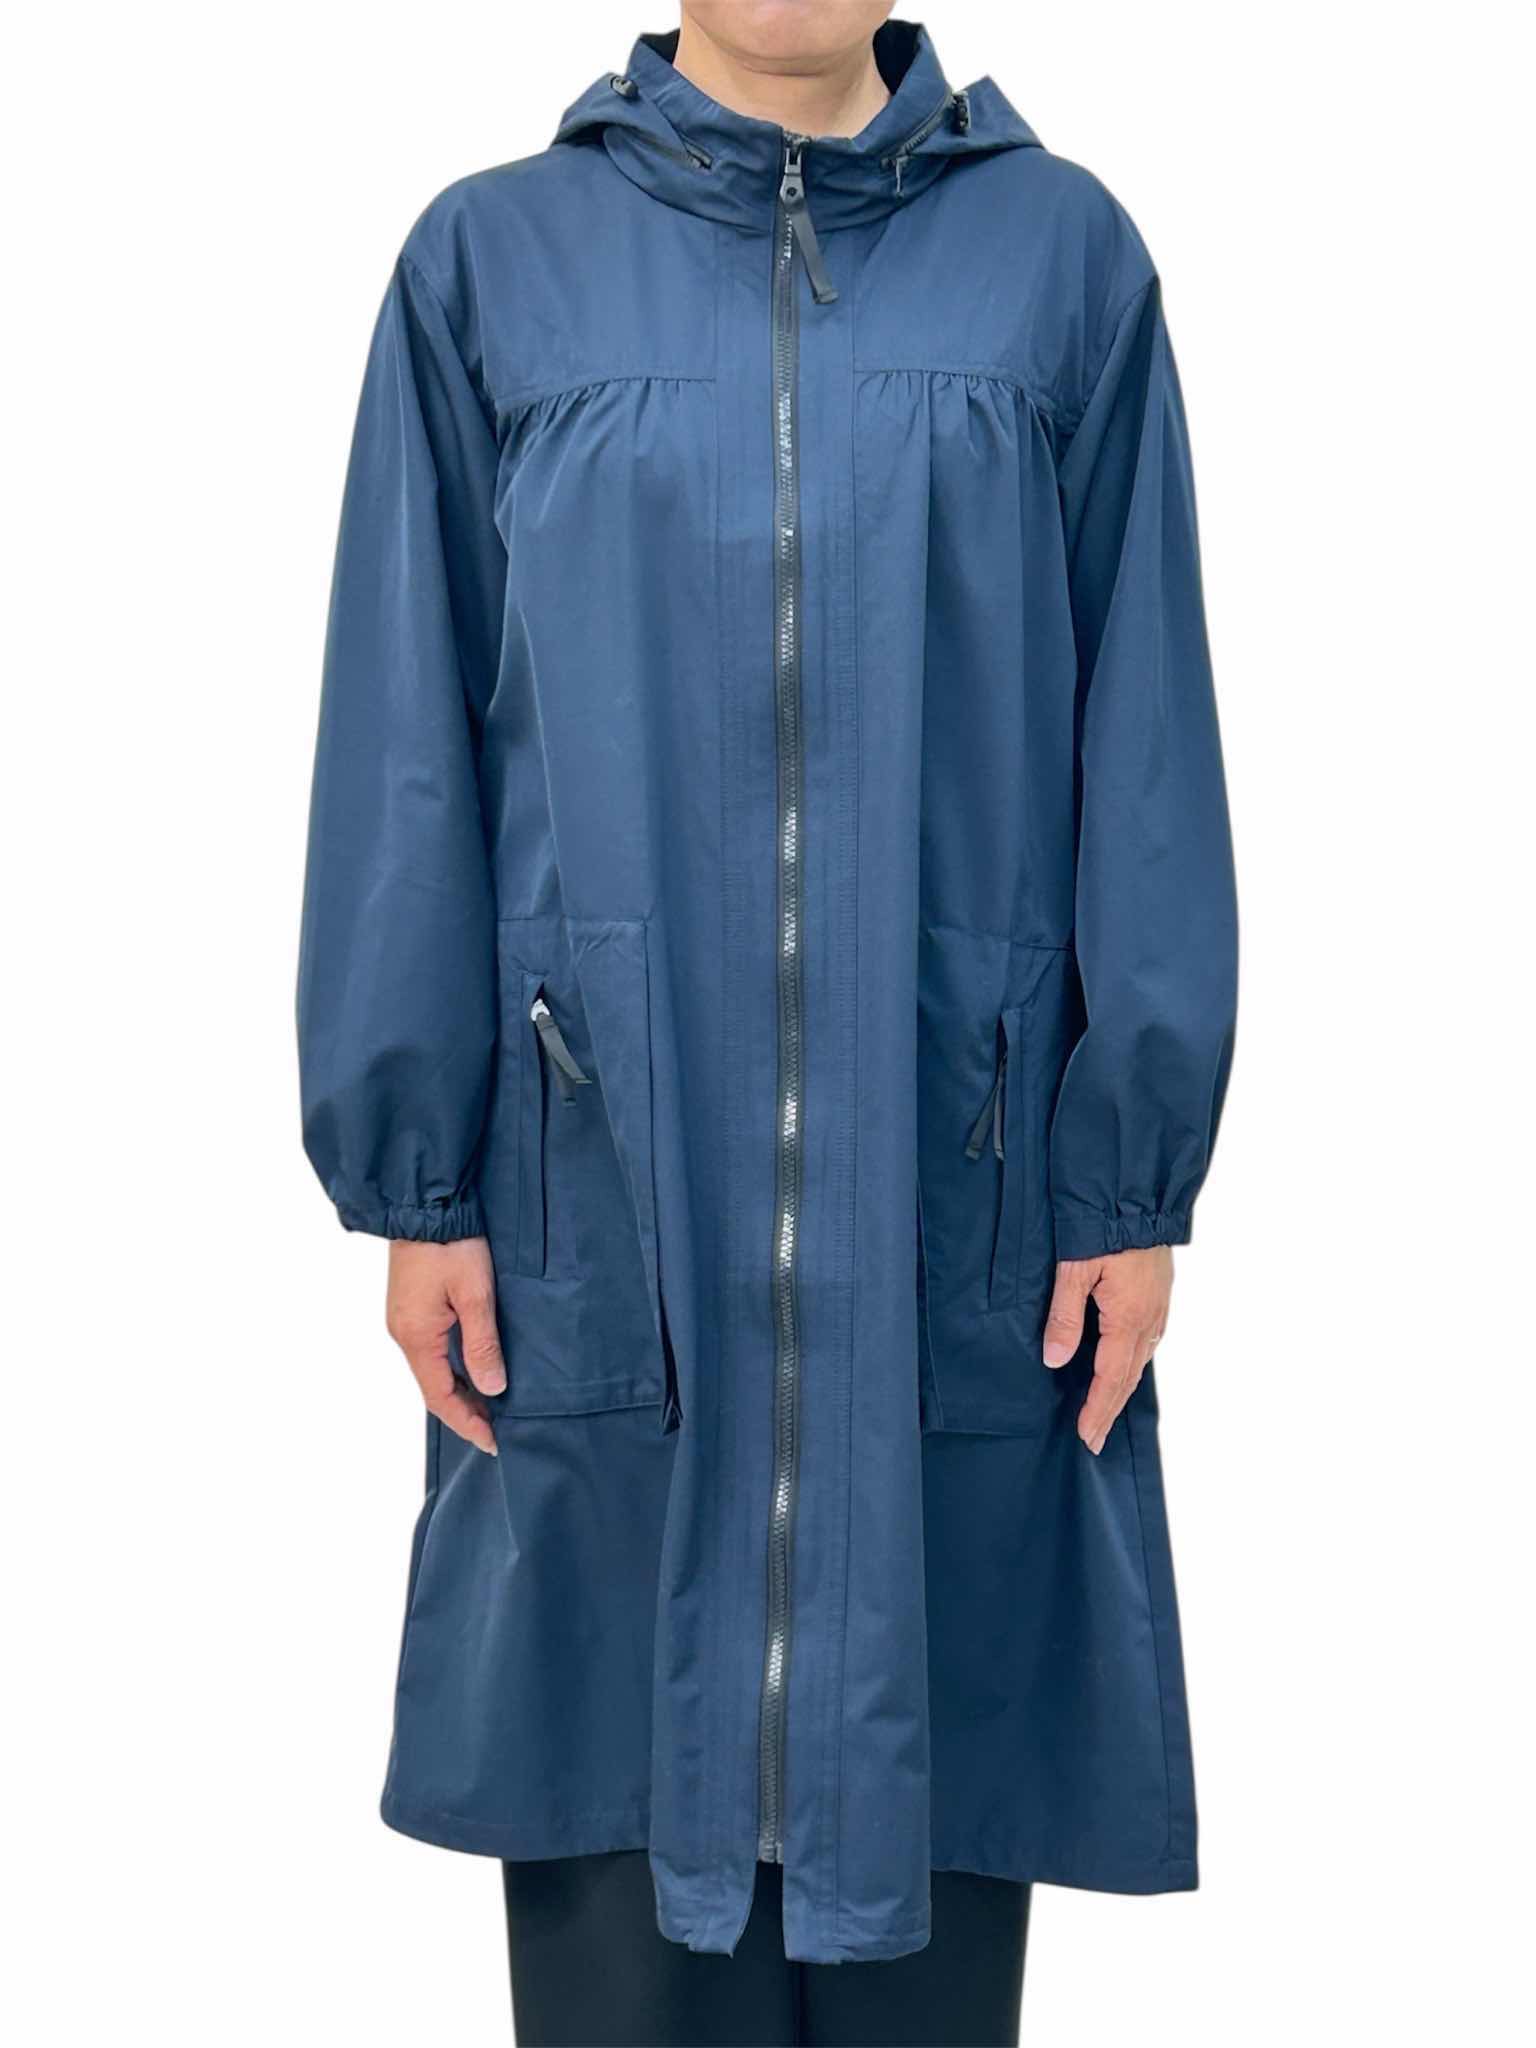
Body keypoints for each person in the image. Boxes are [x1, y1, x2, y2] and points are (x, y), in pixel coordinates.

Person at [298, 4, 1237, 2041]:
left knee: (932, 1862)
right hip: (602, 1202)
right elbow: (403, 744)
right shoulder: (490, 266)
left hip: (961, 1203)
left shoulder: (1065, 264)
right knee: (625, 1900)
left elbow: (1147, 732)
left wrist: (1129, 1171)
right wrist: (420, 1177)